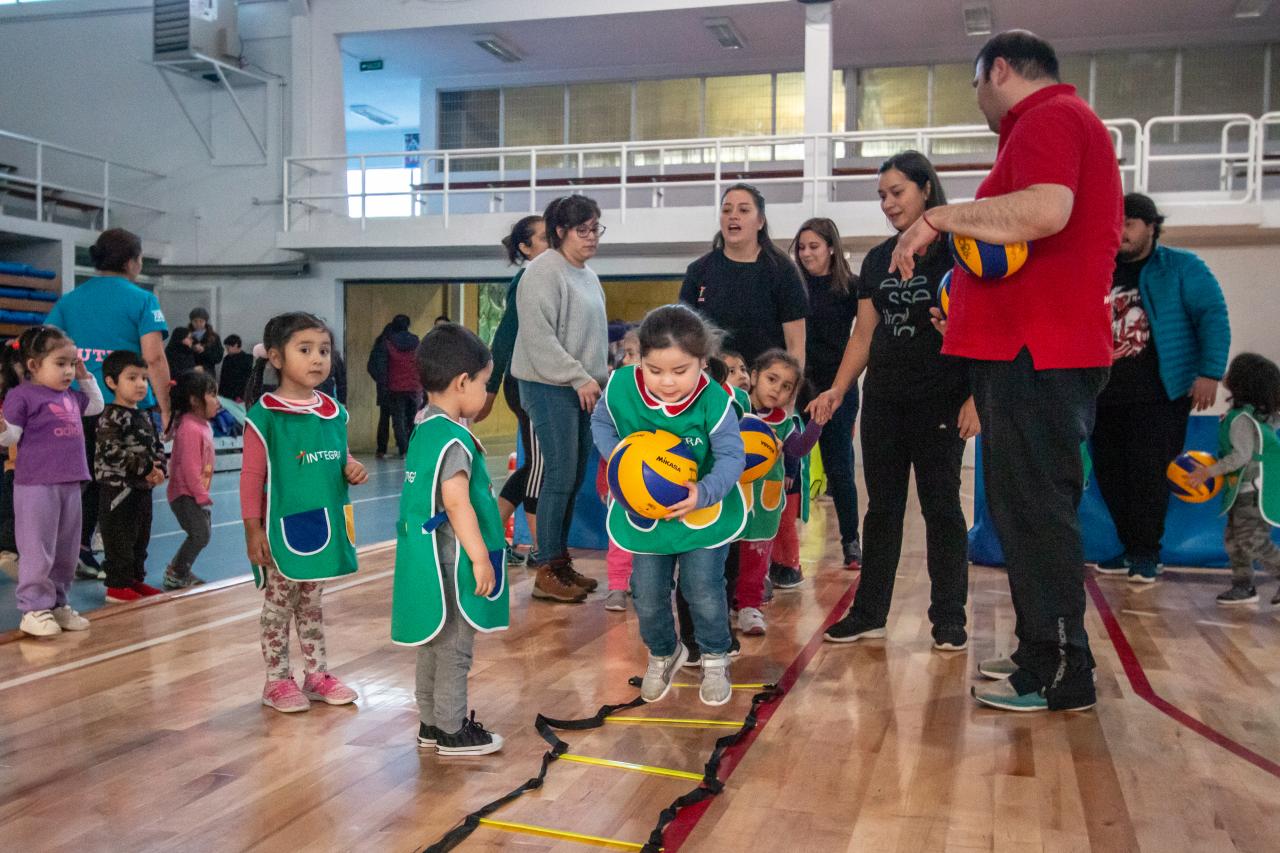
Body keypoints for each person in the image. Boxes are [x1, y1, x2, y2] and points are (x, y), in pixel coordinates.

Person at [891, 31, 1120, 712]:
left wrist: (939, 215)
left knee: (1037, 511)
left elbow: (1046, 212)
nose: (980, 102)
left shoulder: (1051, 117)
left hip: (1040, 354)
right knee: (1020, 510)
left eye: (975, 86)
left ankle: (1061, 668)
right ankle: (1038, 650)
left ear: (996, 70)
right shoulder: (1043, 127)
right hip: (1024, 351)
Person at [814, 152, 977, 653]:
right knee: (881, 510)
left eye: (897, 192)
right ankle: (869, 613)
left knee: (942, 510)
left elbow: (984, 331)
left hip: (942, 402)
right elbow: (864, 334)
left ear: (926, 190)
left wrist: (976, 397)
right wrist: (839, 388)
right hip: (884, 402)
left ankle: (949, 618)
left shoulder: (962, 254)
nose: (887, 203)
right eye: (882, 195)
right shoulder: (877, 258)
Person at [590, 304, 747, 706]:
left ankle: (713, 657)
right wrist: (621, 456)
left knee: (703, 590)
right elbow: (601, 422)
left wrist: (704, 491)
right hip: (647, 514)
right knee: (645, 591)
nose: (667, 382)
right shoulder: (622, 386)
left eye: (680, 371)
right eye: (655, 370)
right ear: (640, 359)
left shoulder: (714, 400)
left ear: (702, 362)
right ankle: (663, 652)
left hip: (701, 513)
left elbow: (732, 456)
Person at [1091, 193, 1231, 583]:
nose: (1121, 232)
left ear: (1152, 226)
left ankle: (1146, 553)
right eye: (1116, 224)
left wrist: (1210, 371)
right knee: (1109, 474)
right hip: (1103, 395)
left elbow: (1212, 315)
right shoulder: (1099, 270)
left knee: (1148, 474)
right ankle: (1129, 547)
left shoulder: (1181, 267)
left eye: (1130, 224)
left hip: (1159, 397)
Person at [392, 323, 508, 756]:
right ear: (463, 382)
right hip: (453, 562)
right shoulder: (455, 439)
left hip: (424, 561)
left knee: (432, 645)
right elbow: (456, 502)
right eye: (482, 383)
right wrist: (480, 558)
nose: (484, 394)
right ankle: (452, 729)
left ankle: (430, 723)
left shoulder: (424, 429)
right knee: (456, 649)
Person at [242, 312, 367, 713]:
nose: (318, 359)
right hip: (283, 529)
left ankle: (317, 675)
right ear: (276, 358)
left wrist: (351, 466)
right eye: (306, 350)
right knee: (279, 606)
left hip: (326, 524)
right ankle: (277, 681)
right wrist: (253, 530)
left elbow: (338, 455)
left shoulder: (334, 410)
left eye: (324, 351)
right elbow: (251, 478)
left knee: (311, 605)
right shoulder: (265, 415)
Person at [46, 228, 170, 580]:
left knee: (84, 479)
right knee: (125, 485)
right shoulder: (142, 300)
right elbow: (155, 358)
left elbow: (47, 345)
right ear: (133, 261)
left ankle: (79, 548)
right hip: (126, 409)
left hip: (78, 406)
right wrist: (165, 406)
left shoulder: (70, 300)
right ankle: (123, 568)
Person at [512, 195, 609, 602]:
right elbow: (538, 338)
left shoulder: (588, 274)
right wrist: (577, 376)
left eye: (596, 229)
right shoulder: (542, 271)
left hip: (582, 388)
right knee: (559, 473)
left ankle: (559, 561)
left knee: (572, 477)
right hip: (548, 385)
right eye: (582, 230)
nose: (591, 238)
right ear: (560, 232)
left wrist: (597, 380)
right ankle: (546, 567)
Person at [0, 326, 103, 637]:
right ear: (33, 365)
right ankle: (33, 608)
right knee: (37, 547)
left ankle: (58, 603)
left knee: (66, 550)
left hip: (70, 484)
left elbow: (96, 405)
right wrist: (2, 425)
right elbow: (10, 437)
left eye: (72, 363)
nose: (69, 370)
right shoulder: (23, 395)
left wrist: (86, 376)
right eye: (61, 364)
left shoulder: (71, 395)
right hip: (36, 486)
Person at [789, 218, 863, 570]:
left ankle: (851, 542)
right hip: (800, 387)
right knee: (787, 465)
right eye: (801, 247)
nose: (806, 254)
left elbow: (864, 335)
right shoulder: (791, 286)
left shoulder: (850, 288)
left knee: (840, 467)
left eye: (813, 246)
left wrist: (840, 389)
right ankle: (783, 549)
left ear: (831, 248)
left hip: (838, 389)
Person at [476, 215, 549, 565]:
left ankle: (489, 533)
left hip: (543, 383)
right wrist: (489, 389)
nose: (555, 241)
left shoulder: (551, 278)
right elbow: (505, 335)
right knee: (539, 467)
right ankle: (544, 555)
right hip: (526, 385)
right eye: (545, 237)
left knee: (534, 466)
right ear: (525, 247)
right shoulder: (527, 279)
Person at [735, 351, 822, 637]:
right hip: (731, 502)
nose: (777, 389)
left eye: (786, 386)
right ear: (755, 376)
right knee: (724, 557)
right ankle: (721, 604)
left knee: (756, 558)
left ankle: (750, 606)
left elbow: (797, 450)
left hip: (764, 506)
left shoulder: (784, 422)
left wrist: (817, 423)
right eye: (772, 379)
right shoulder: (734, 410)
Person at [679, 183, 808, 371]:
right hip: (713, 385)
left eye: (744, 210)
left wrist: (790, 394)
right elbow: (684, 337)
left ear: (760, 221)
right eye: (726, 210)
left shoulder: (783, 270)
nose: (733, 216)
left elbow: (795, 345)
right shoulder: (698, 270)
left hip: (767, 388)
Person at [1185, 353, 1280, 605]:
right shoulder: (1246, 415)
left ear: (1243, 382)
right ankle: (1243, 586)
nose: (1225, 374)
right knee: (1234, 540)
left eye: (1232, 371)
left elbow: (1240, 456)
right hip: (1243, 492)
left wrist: (1209, 471)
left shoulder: (1241, 420)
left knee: (1251, 540)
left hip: (1252, 492)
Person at [95, 350, 168, 604]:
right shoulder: (110, 415)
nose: (140, 384)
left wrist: (160, 468)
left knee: (140, 536)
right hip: (117, 490)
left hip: (142, 488)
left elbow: (156, 445)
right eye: (132, 378)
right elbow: (111, 450)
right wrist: (146, 468)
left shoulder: (145, 414)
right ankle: (117, 585)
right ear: (112, 382)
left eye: (144, 379)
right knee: (119, 537)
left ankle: (135, 578)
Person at [165, 370, 219, 591]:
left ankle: (178, 569)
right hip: (184, 494)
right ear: (195, 400)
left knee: (201, 534)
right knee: (200, 535)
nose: (217, 401)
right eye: (212, 395)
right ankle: (177, 572)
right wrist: (200, 495)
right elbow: (189, 467)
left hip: (194, 493)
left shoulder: (201, 424)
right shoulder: (189, 427)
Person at [601, 327, 639, 612]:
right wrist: (605, 483)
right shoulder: (617, 395)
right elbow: (608, 444)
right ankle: (616, 585)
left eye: (633, 353)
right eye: (624, 354)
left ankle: (642, 582)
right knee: (619, 536)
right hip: (621, 481)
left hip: (652, 482)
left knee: (648, 536)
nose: (626, 359)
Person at [384, 315, 422, 457]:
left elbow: (384, 365)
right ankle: (413, 447)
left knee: (398, 419)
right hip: (414, 386)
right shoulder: (417, 341)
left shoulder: (389, 342)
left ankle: (404, 449)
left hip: (395, 386)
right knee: (413, 418)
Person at [367, 319, 397, 458]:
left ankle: (381, 448)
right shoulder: (394, 346)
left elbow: (371, 367)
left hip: (384, 388)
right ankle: (402, 446)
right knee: (400, 418)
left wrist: (381, 380)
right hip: (398, 387)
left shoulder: (380, 345)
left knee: (384, 418)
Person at [187, 308, 224, 374]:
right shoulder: (185, 335)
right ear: (191, 321)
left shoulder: (214, 337)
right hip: (190, 373)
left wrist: (204, 351)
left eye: (201, 321)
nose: (198, 324)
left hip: (208, 373)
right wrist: (193, 349)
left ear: (205, 322)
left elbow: (218, 357)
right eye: (195, 321)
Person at [218, 334, 254, 402]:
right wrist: (220, 393)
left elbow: (248, 379)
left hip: (240, 395)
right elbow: (223, 377)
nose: (227, 350)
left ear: (236, 345)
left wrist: (243, 395)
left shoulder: (248, 359)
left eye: (228, 348)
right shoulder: (227, 359)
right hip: (226, 394)